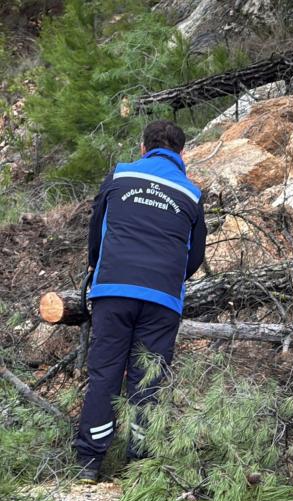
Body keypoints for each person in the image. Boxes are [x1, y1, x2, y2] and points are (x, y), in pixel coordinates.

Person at [74, 120, 207, 482]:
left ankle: (89, 463)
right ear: (181, 153)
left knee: (105, 373)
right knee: (148, 379)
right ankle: (139, 467)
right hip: (162, 299)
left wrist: (97, 266)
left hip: (114, 290)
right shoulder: (191, 193)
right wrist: (168, 277)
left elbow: (96, 230)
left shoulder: (120, 176)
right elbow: (195, 256)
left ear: (143, 147)